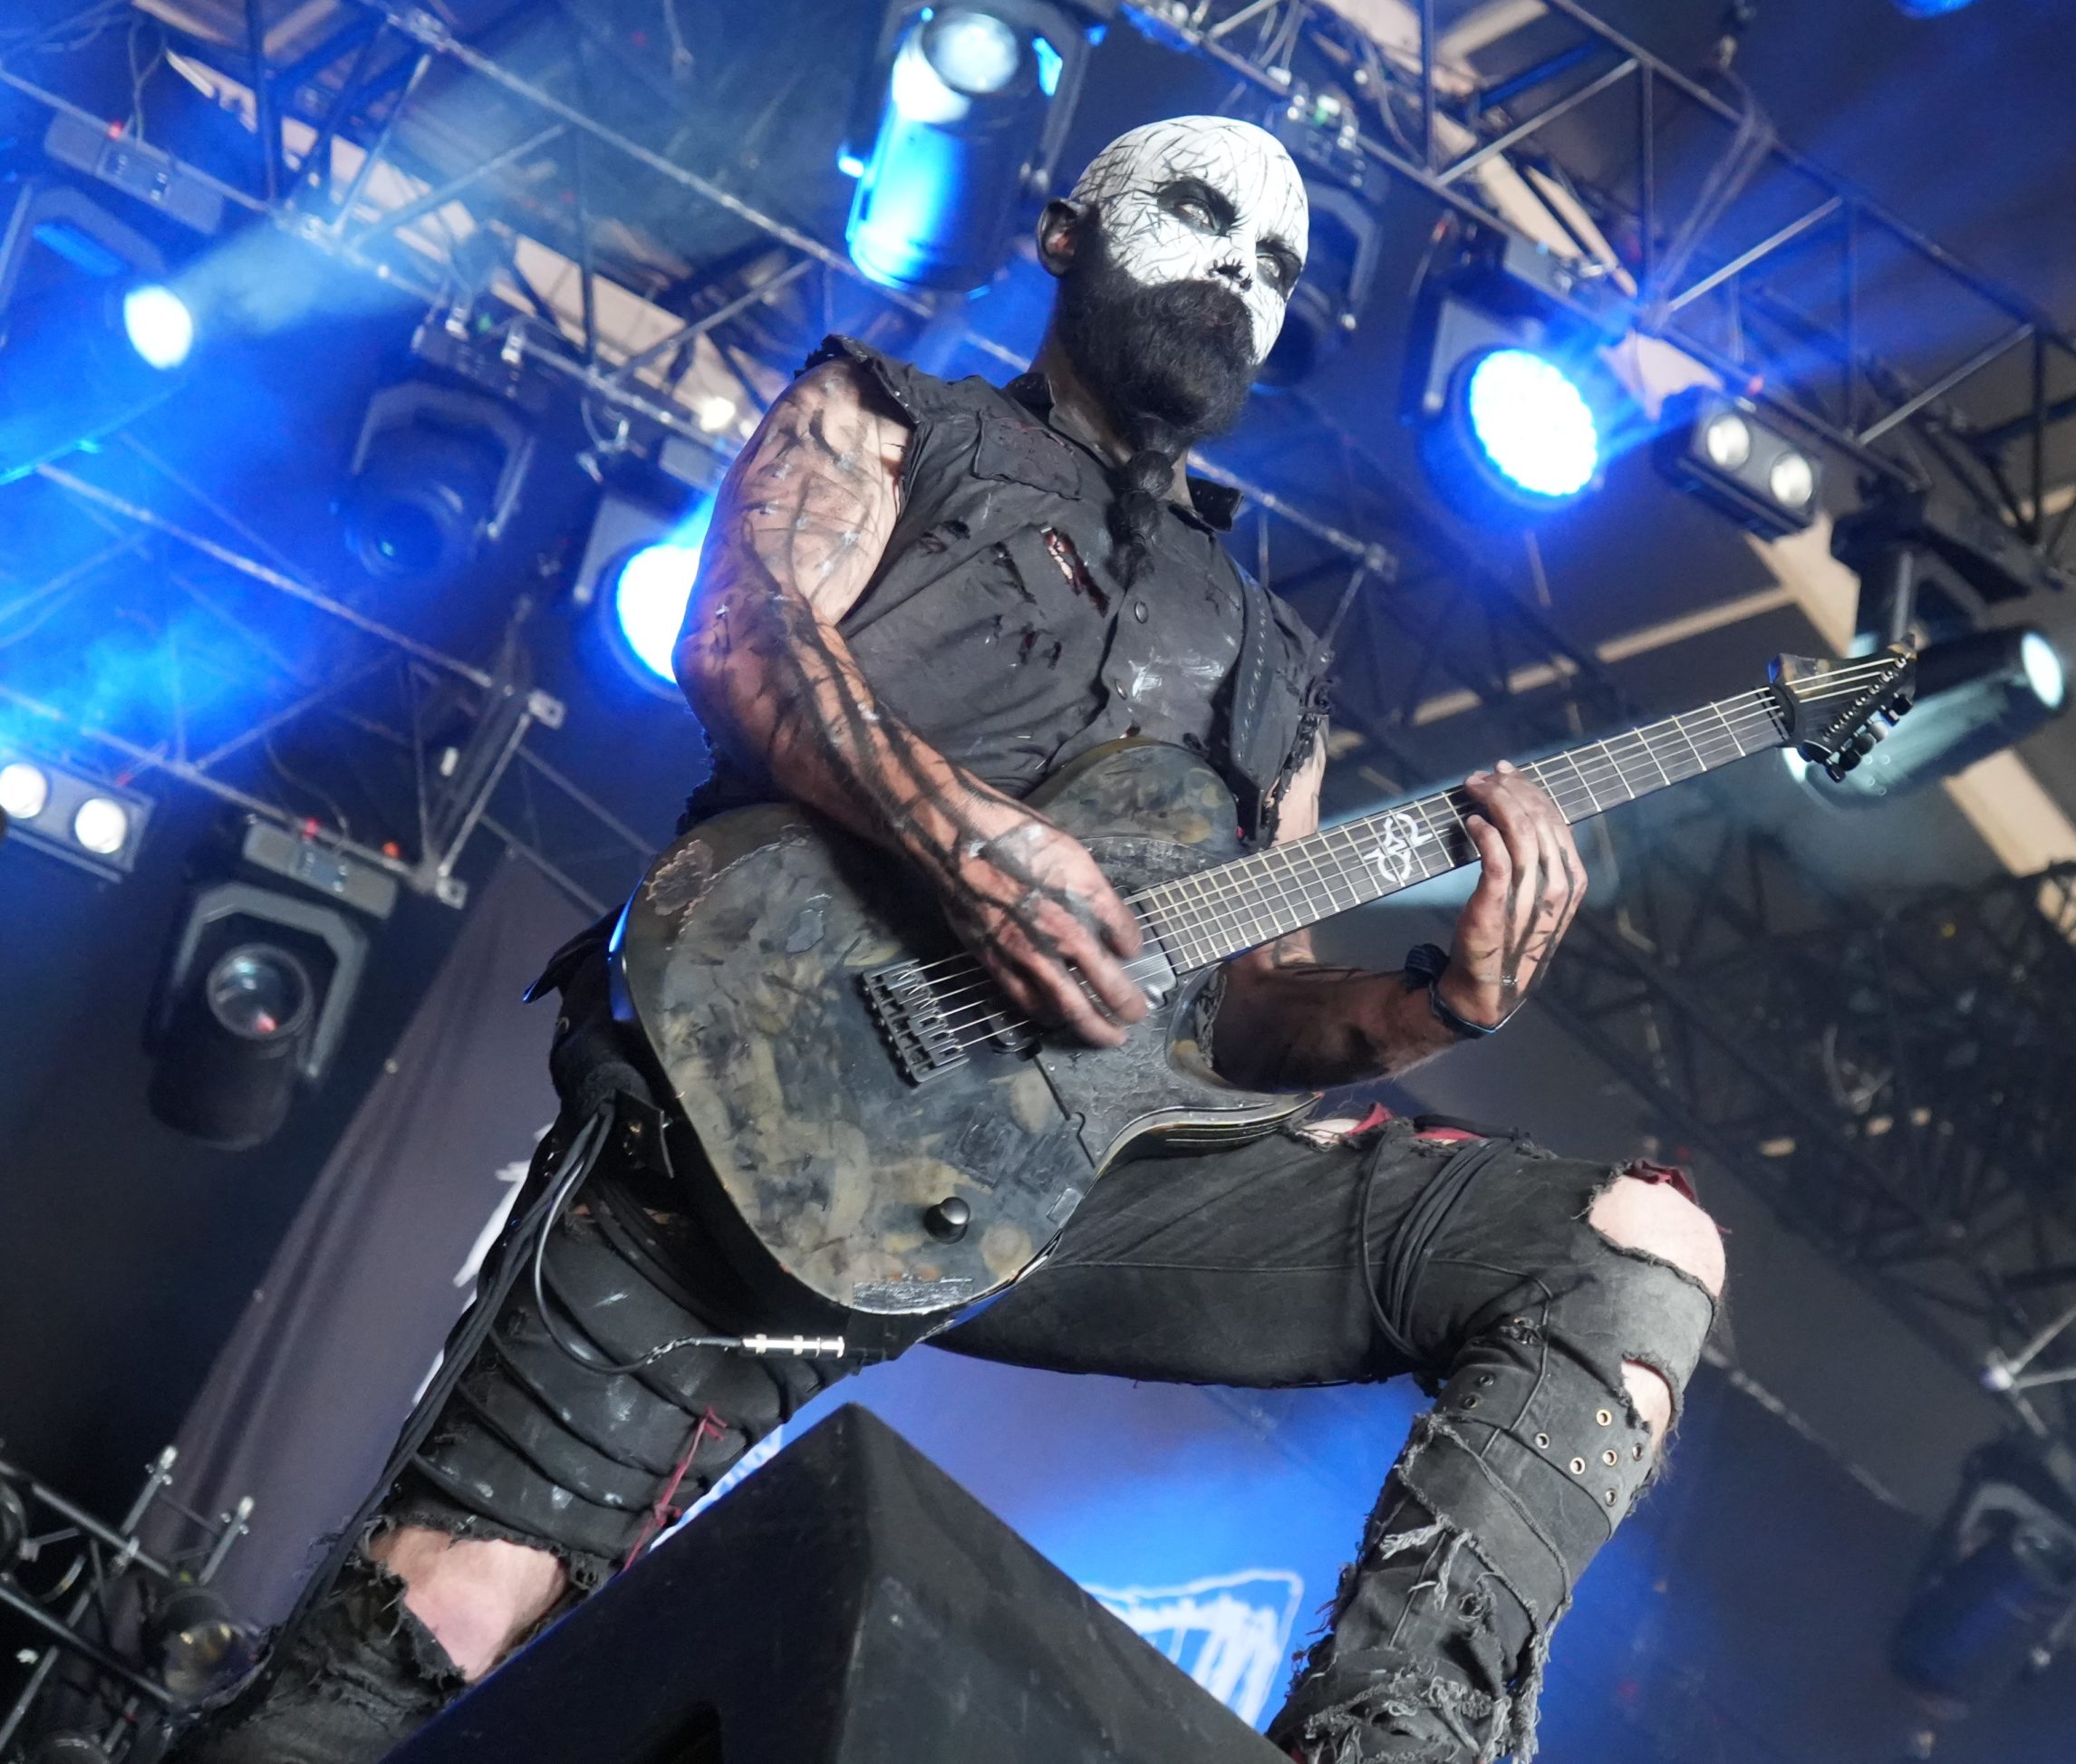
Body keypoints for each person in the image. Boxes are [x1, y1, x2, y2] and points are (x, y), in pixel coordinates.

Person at [180, 116, 1724, 1764]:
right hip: (766, 1101)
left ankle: (1388, 1745)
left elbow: (1240, 1015)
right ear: (1064, 232)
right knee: (435, 1620)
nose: (1238, 272)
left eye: (1279, 263)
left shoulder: (1279, 662)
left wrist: (1433, 1006)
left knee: (1635, 1249)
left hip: (1090, 1173)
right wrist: (962, 841)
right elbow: (741, 637)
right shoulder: (890, 420)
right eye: (1199, 213)